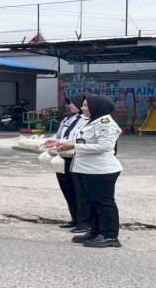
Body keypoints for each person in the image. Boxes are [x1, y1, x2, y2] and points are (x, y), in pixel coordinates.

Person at [48, 94, 123, 248]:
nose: (82, 108)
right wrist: (59, 142)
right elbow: (82, 140)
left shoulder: (105, 123)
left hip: (101, 170)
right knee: (91, 202)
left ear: (96, 107)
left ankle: (110, 236)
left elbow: (105, 146)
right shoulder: (91, 121)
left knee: (103, 203)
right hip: (87, 169)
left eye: (85, 105)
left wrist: (74, 146)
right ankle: (95, 232)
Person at [48, 94, 89, 231]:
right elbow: (59, 136)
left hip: (77, 157)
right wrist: (52, 141)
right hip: (62, 157)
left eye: (73, 103)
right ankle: (75, 218)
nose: (70, 105)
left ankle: (84, 222)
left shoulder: (88, 121)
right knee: (66, 188)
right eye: (69, 103)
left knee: (79, 190)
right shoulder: (67, 119)